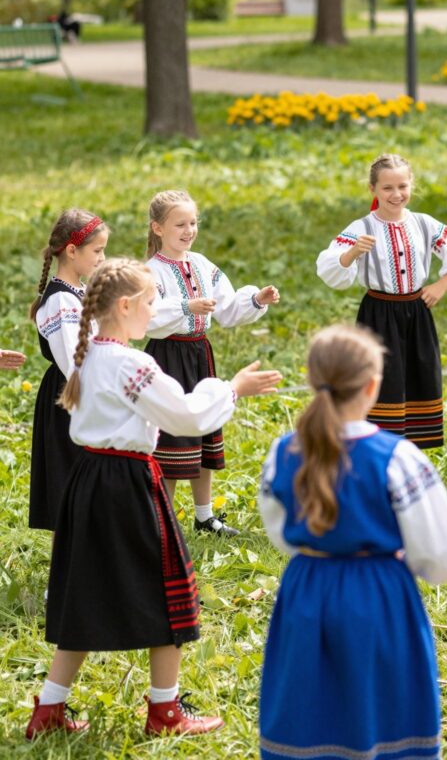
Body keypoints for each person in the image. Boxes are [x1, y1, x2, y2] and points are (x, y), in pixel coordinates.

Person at [26, 259, 281, 740]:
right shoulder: (132, 364)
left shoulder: (88, 355)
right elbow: (186, 416)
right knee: (171, 592)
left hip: (88, 481)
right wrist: (232, 389)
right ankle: (165, 711)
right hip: (127, 484)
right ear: (125, 306)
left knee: (85, 594)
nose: (155, 311)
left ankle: (49, 709)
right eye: (150, 302)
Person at [258, 324, 447, 760]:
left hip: (306, 589)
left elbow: (279, 531)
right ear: (372, 386)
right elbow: (437, 556)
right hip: (379, 595)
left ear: (312, 380)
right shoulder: (398, 458)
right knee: (384, 706)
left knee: (308, 706)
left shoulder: (282, 452)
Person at [145, 190, 280, 536]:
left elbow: (228, 308)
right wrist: (185, 308)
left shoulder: (202, 265)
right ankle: (162, 521)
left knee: (204, 429)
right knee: (172, 440)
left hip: (199, 354)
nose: (189, 230)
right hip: (167, 357)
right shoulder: (150, 272)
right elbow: (147, 318)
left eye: (193, 223)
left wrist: (256, 299)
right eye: (180, 224)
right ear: (158, 228)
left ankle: (204, 516)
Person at [316, 153, 447, 449]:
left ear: (411, 185)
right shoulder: (362, 227)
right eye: (387, 188)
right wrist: (352, 253)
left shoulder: (424, 224)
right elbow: (329, 267)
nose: (396, 194)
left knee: (419, 376)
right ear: (373, 189)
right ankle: (376, 447)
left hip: (417, 313)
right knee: (381, 379)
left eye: (402, 186)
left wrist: (443, 283)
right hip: (378, 314)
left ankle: (411, 453)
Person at [28, 209, 107, 531]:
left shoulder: (79, 292)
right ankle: (72, 558)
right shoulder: (61, 302)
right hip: (72, 396)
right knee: (72, 484)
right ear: (72, 251)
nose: (102, 258)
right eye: (97, 251)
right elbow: (75, 360)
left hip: (85, 389)